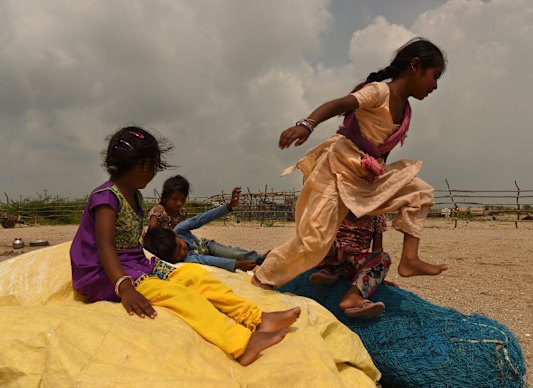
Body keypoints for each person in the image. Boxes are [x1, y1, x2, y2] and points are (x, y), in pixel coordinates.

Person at [69, 126, 300, 366]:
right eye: (155, 167)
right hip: (104, 273)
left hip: (133, 262)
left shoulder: (134, 196)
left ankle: (256, 318)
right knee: (180, 295)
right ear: (145, 166)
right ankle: (241, 343)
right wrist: (125, 288)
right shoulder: (105, 197)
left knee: (193, 275)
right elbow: (105, 247)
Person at [253, 37, 449, 289]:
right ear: (415, 66)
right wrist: (306, 125)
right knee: (314, 242)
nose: (434, 85)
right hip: (336, 168)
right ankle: (263, 280)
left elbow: (382, 148)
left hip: (366, 174)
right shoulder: (379, 91)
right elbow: (339, 104)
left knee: (420, 191)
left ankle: (409, 260)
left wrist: (378, 183)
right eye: (434, 76)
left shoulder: (407, 110)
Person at [148, 185, 264, 271]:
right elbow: (207, 260)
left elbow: (202, 218)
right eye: (177, 255)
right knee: (226, 262)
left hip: (207, 246)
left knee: (233, 253)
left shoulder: (180, 229)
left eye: (180, 246)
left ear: (175, 236)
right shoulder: (186, 259)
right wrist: (236, 265)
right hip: (206, 255)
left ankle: (260, 258)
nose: (182, 251)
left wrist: (228, 206)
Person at [309, 212, 391, 318]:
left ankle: (352, 296)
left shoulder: (376, 214)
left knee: (383, 257)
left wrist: (378, 276)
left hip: (355, 262)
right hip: (333, 255)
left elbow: (377, 249)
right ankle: (327, 271)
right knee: (323, 238)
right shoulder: (335, 206)